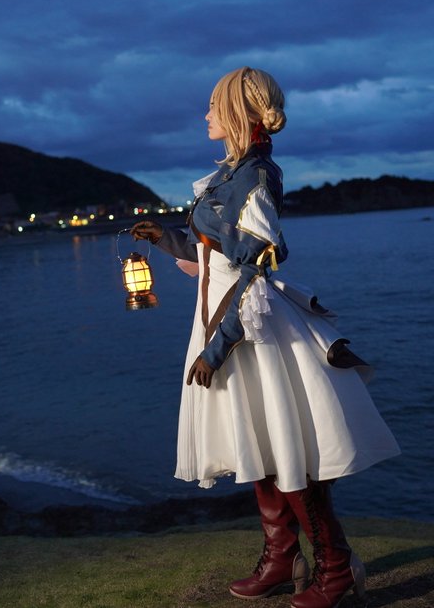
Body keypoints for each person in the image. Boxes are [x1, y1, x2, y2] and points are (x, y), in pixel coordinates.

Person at [131, 67, 399, 607]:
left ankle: (335, 569)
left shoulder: (254, 177)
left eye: (213, 105)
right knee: (260, 444)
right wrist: (165, 238)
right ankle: (282, 559)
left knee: (286, 449)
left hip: (248, 329)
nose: (206, 114)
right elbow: (218, 255)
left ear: (238, 110)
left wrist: (216, 349)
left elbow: (253, 273)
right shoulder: (233, 174)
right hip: (226, 321)